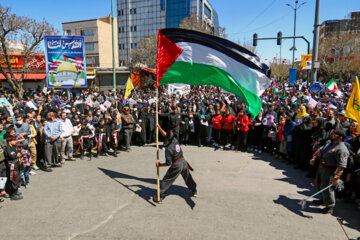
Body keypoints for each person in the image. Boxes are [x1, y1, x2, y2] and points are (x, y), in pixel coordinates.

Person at [154, 124, 197, 203]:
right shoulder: (174, 140)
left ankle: (159, 196)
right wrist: (159, 128)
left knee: (167, 179)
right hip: (183, 161)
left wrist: (159, 165)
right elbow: (166, 134)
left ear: (167, 139)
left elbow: (168, 163)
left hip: (177, 165)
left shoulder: (168, 149)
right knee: (187, 177)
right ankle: (194, 190)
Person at [310, 129, 349, 214]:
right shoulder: (329, 143)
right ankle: (323, 200)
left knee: (327, 189)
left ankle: (329, 206)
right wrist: (314, 158)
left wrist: (336, 178)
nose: (332, 135)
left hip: (330, 171)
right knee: (319, 185)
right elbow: (320, 151)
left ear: (340, 138)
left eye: (335, 135)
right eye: (332, 134)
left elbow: (341, 166)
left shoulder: (342, 149)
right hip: (322, 167)